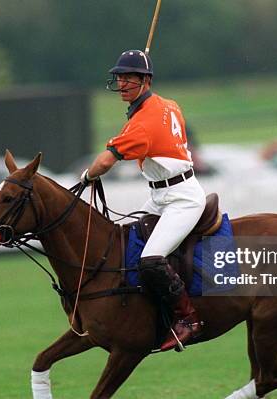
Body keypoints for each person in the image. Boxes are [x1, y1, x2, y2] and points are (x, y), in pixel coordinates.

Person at [80, 50, 206, 351]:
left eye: (129, 78)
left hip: (182, 199)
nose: (121, 83)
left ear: (145, 80)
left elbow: (105, 162)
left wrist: (85, 178)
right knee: (125, 243)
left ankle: (188, 319)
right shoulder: (167, 104)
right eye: (120, 77)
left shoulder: (142, 124)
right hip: (160, 195)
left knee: (151, 260)